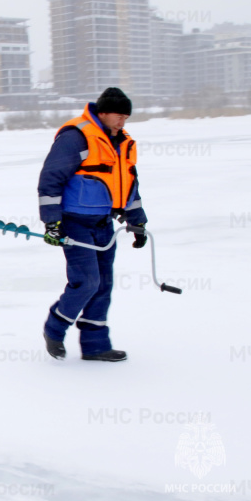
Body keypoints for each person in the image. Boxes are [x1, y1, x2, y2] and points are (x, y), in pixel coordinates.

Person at [37, 88, 148, 362]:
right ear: (103, 112)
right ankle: (54, 328)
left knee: (103, 285)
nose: (123, 122)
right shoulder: (77, 136)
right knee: (87, 282)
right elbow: (51, 178)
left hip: (103, 224)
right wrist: (52, 222)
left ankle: (96, 345)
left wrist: (138, 221)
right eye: (119, 116)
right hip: (74, 223)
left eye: (126, 117)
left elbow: (129, 185)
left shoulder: (121, 142)